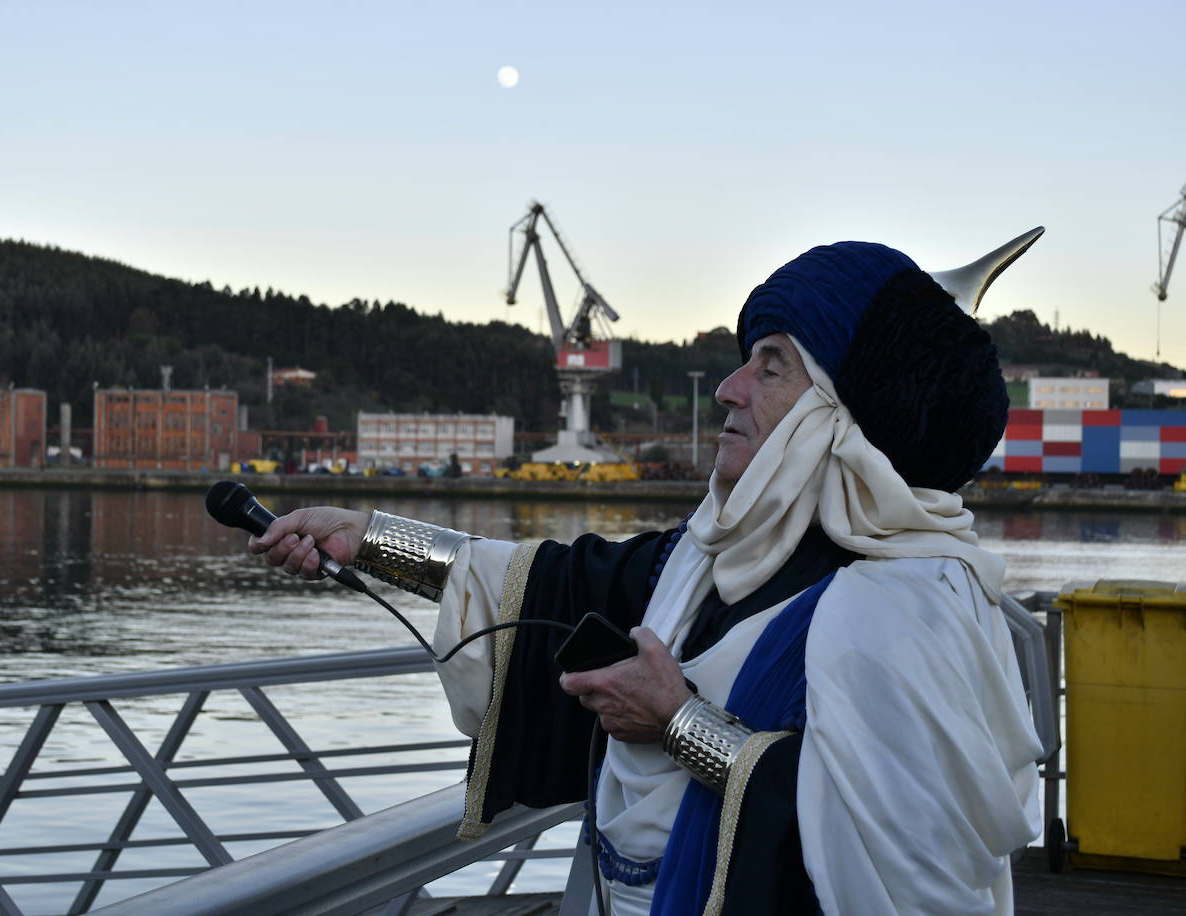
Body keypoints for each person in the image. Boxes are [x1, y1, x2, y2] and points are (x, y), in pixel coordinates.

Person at [250, 232, 1046, 915]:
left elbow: (902, 859)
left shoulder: (905, 611)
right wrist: (371, 539)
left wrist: (676, 723)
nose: (730, 389)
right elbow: (561, 581)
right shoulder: (706, 557)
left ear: (841, 419)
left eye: (771, 368)